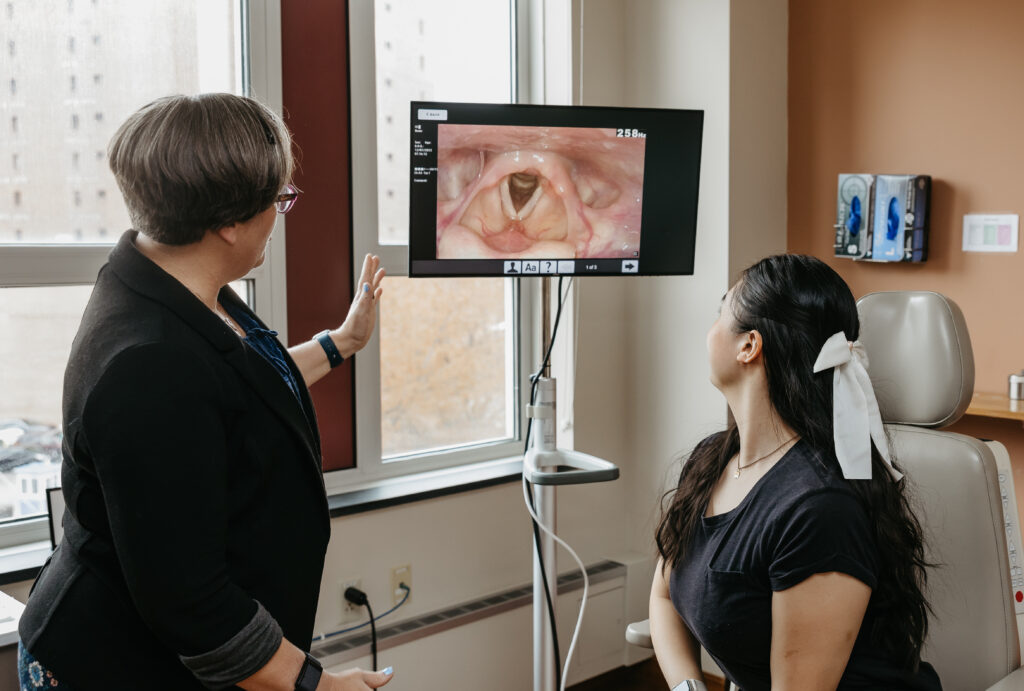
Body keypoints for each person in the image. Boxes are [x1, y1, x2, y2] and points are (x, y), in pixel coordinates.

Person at [18, 94, 393, 691]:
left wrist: (339, 344)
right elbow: (190, 603)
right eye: (279, 201)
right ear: (227, 223)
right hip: (120, 663)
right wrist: (316, 685)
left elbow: (236, 388)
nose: (280, 213)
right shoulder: (147, 368)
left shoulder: (172, 281)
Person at [650, 254, 942, 691]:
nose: (709, 330)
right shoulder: (711, 460)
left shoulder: (819, 507)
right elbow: (663, 595)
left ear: (749, 345)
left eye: (720, 312)